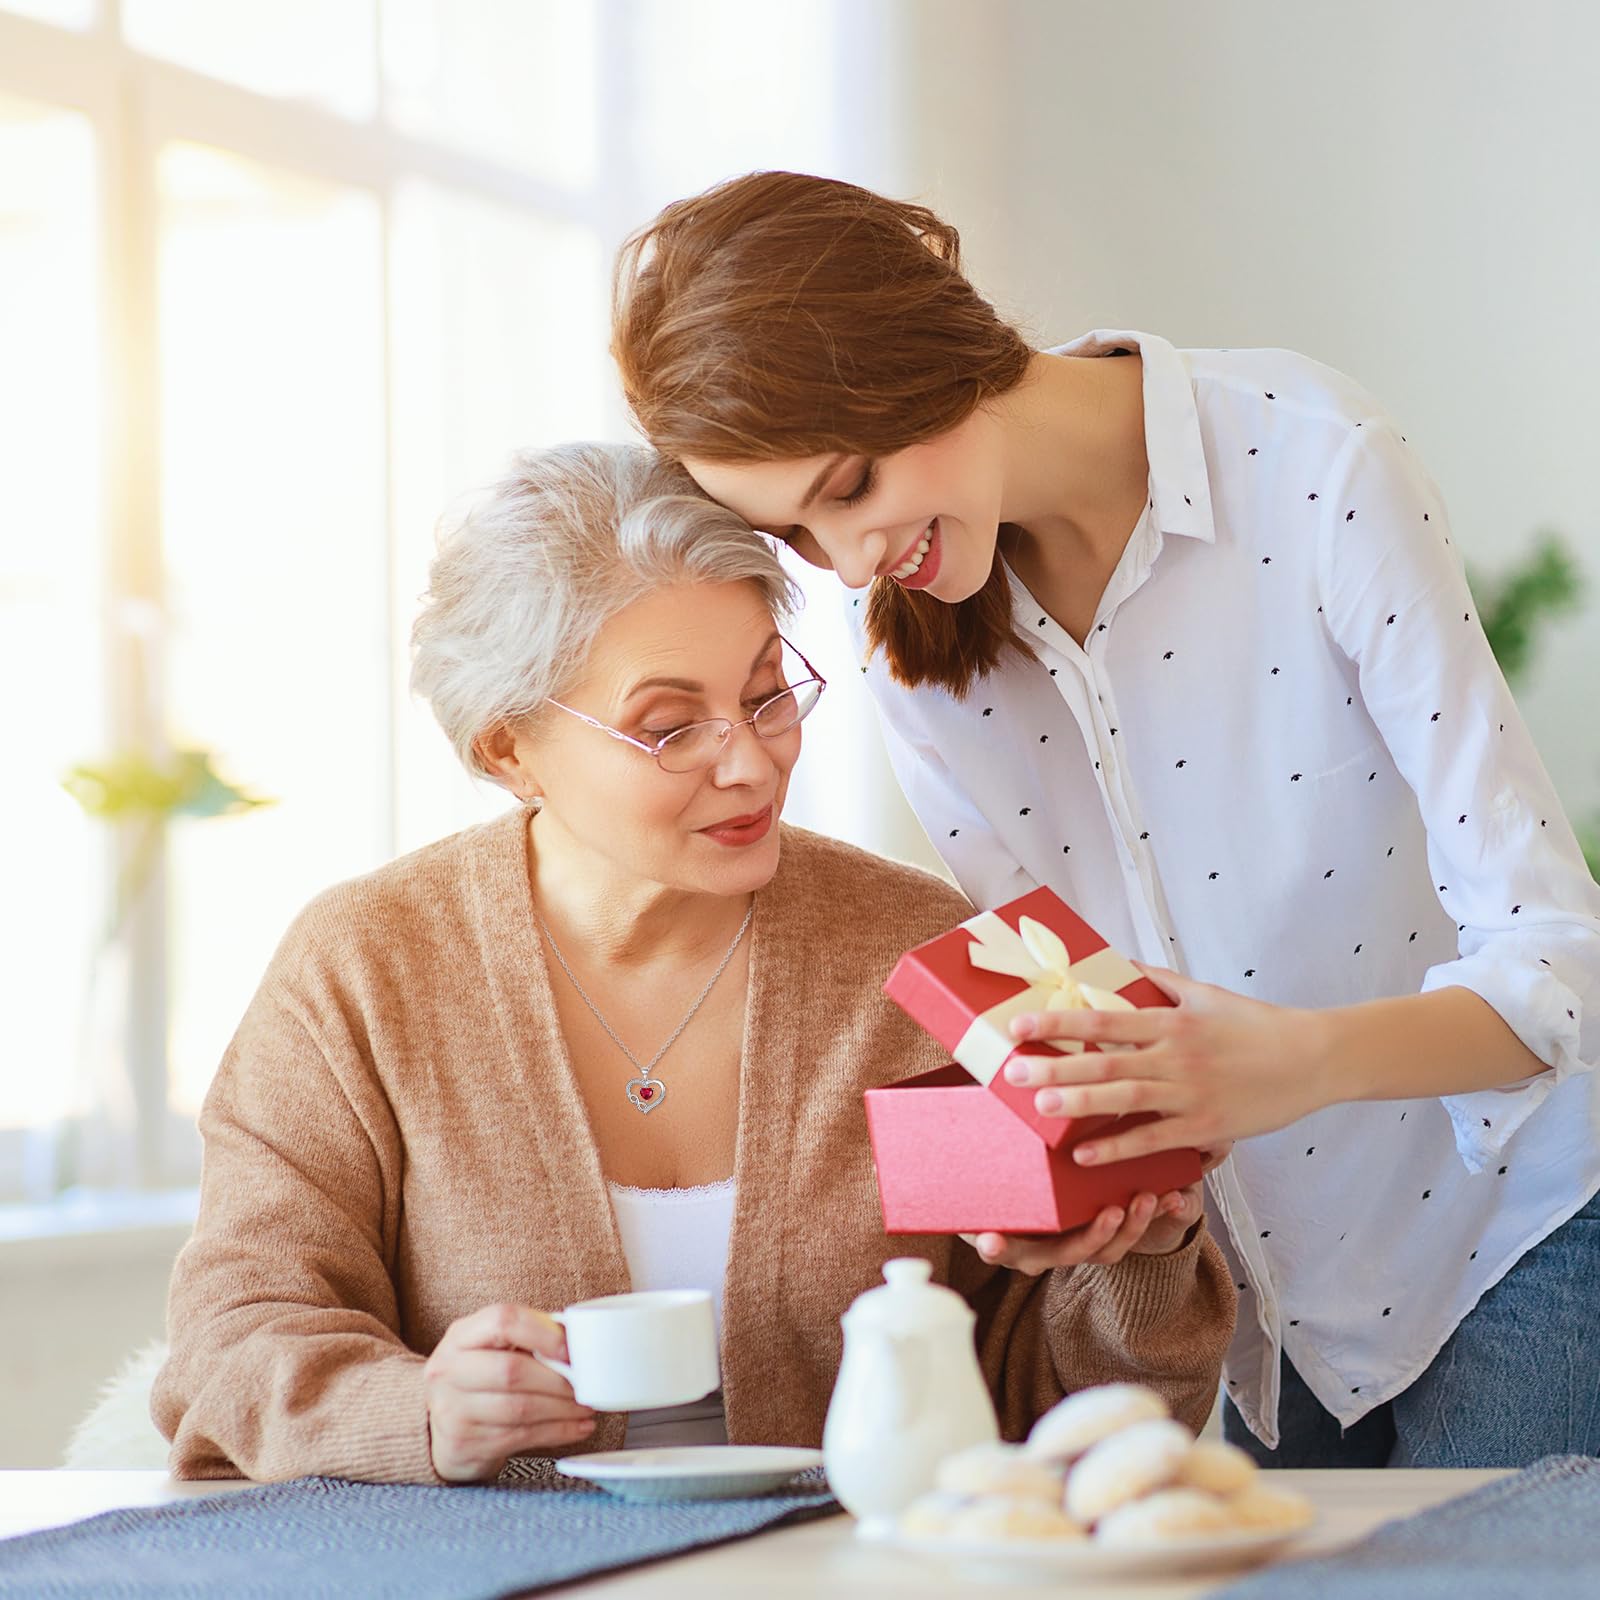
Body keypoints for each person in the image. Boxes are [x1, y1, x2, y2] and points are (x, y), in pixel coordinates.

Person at [609, 171, 1600, 1468]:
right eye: (798, 534)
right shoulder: (912, 654)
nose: (850, 561)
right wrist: (1086, 1176)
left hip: (1512, 1229)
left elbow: (1563, 964)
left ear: (928, 347)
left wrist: (1287, 1064)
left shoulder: (1312, 465)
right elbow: (1078, 1014)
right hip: (1257, 1310)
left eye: (848, 486)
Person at [151, 442, 1234, 1485]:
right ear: (507, 748)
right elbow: (232, 1338)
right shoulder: (365, 969)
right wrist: (418, 1409)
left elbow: (1053, 1410)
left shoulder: (919, 956)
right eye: (671, 727)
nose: (752, 760)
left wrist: (1141, 1248)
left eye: (766, 693)